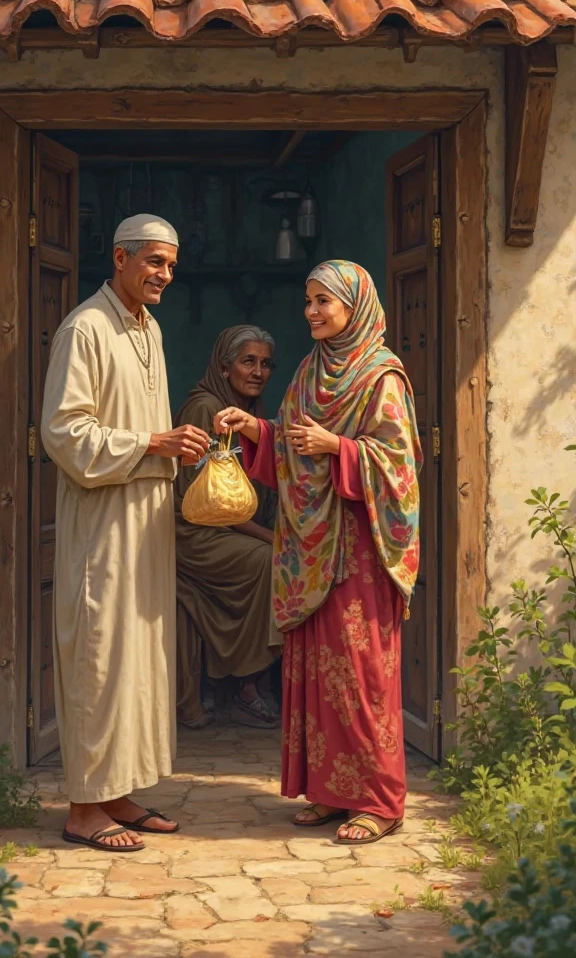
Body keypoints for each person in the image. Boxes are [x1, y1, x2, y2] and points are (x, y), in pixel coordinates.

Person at [214, 261, 421, 845]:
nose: (310, 311)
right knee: (316, 670)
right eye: (307, 301)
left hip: (360, 549)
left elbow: (400, 466)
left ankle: (380, 801)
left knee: (360, 674)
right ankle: (332, 793)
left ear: (354, 305)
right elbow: (291, 445)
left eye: (322, 302)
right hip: (309, 549)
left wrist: (339, 447)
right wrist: (257, 431)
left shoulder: (383, 377)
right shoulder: (309, 371)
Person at [41, 214, 210, 854]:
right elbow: (62, 432)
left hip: (145, 523)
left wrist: (176, 447)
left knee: (136, 658)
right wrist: (152, 441)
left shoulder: (150, 328)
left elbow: (146, 426)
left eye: (171, 264)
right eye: (154, 263)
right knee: (99, 654)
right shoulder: (84, 328)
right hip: (101, 523)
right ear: (120, 258)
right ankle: (84, 808)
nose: (165, 274)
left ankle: (117, 792)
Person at [174, 326, 281, 731]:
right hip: (195, 532)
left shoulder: (247, 414)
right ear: (224, 366)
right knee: (270, 562)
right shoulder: (207, 409)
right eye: (247, 361)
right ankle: (246, 688)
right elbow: (214, 505)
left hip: (229, 530)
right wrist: (272, 538)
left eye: (266, 363)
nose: (258, 371)